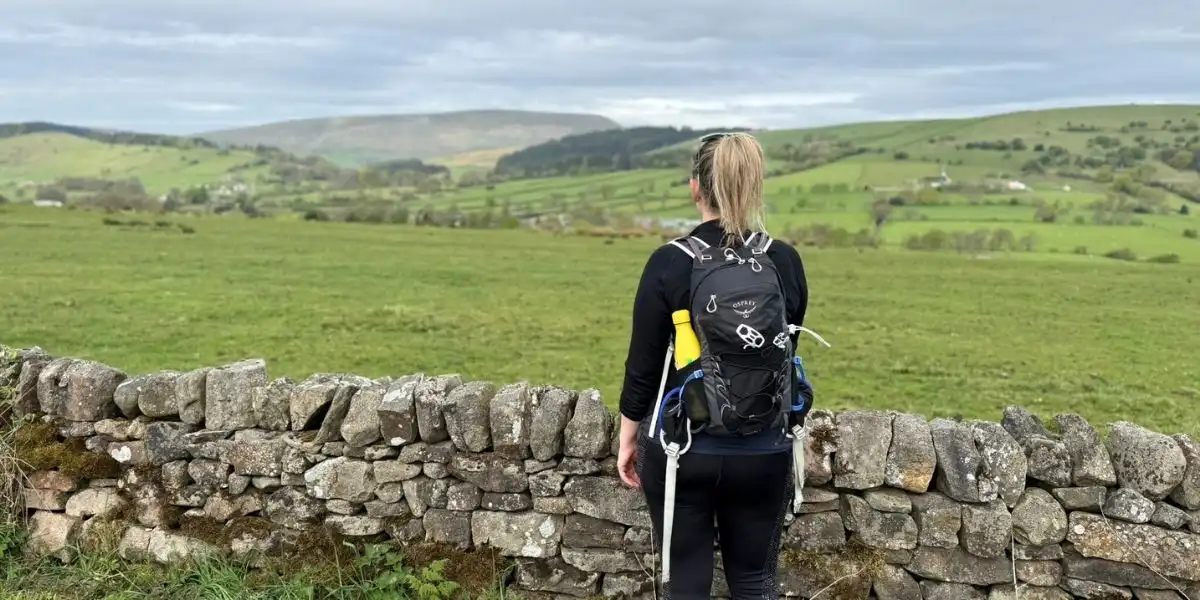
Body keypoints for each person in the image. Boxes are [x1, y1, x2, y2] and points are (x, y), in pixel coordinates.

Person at [615, 131, 811, 600]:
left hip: (685, 449)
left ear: (695, 188)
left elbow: (643, 366)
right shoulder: (782, 260)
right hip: (766, 446)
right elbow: (783, 348)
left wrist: (629, 441)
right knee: (754, 582)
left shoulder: (669, 262)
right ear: (754, 186)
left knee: (685, 584)